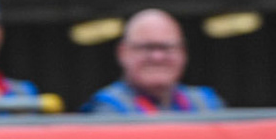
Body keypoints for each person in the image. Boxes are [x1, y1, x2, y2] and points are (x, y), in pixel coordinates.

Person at [83, 9, 223, 114]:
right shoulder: (106, 108)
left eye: (167, 47)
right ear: (123, 53)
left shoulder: (206, 103)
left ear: (183, 52)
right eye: (146, 47)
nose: (157, 57)